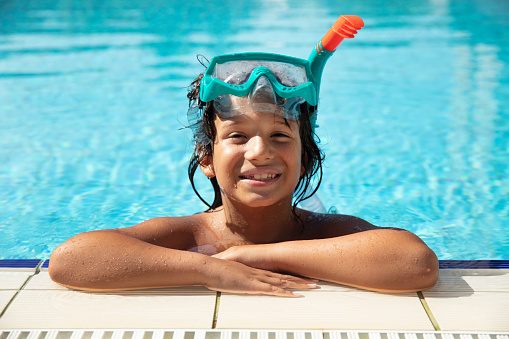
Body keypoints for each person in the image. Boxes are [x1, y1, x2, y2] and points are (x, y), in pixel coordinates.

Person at [49, 16, 439, 297]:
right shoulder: (191, 234)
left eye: (279, 136)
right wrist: (208, 268)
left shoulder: (325, 229)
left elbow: (414, 263)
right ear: (206, 159)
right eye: (238, 136)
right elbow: (71, 260)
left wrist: (254, 256)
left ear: (304, 161)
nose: (261, 152)